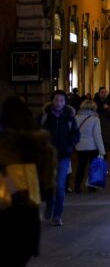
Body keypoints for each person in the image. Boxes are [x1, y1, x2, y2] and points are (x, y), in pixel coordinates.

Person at [0, 96, 57, 266]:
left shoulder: (5, 142)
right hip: (28, 212)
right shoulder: (38, 142)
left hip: (6, 207)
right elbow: (47, 184)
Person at [41, 90, 80, 226]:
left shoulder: (69, 117)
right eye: (56, 100)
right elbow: (37, 132)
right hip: (47, 156)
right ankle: (50, 204)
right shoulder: (45, 116)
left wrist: (70, 144)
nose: (58, 103)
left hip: (63, 155)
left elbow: (76, 134)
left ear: (65, 102)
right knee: (47, 184)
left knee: (60, 185)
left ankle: (57, 215)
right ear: (52, 101)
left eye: (61, 100)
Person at [74, 100, 106, 194]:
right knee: (93, 166)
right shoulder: (95, 119)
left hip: (80, 146)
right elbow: (97, 135)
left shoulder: (76, 117)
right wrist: (102, 150)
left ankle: (77, 185)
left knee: (81, 166)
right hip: (92, 146)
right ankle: (91, 186)